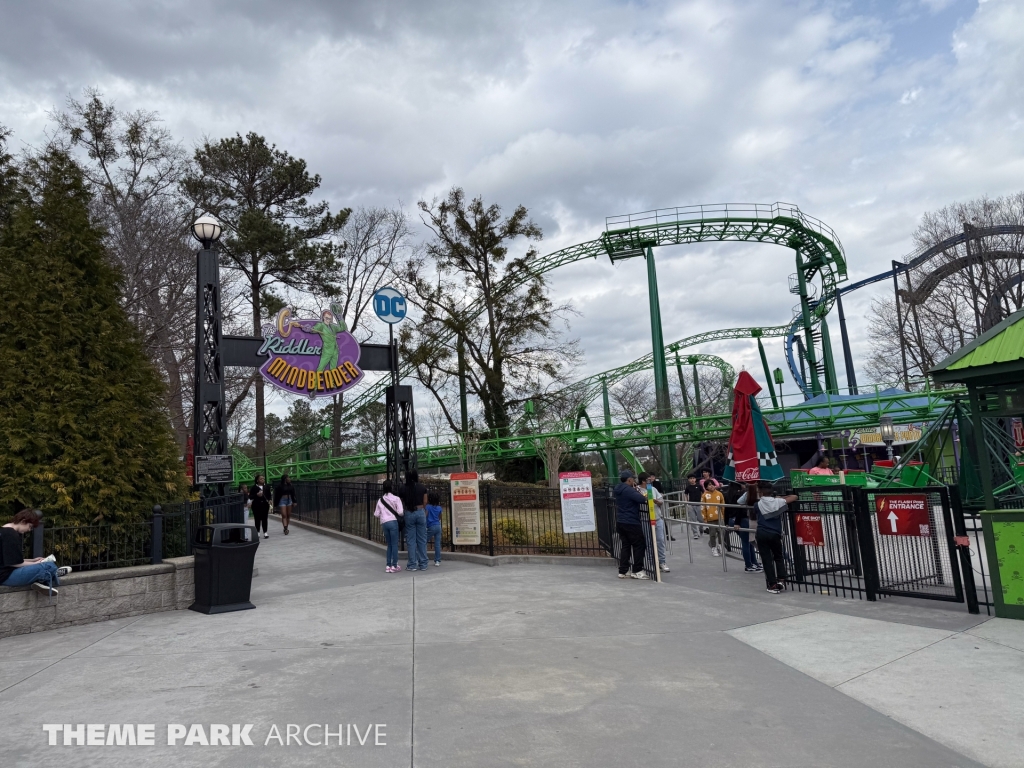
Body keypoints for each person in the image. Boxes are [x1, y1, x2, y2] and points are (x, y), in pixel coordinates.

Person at [1, 509, 71, 596]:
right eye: (30, 526)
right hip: (6, 576)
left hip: (6, 574)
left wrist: (33, 560)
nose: (30, 530)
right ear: (23, 521)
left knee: (44, 566)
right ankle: (51, 575)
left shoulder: (4, 531)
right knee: (49, 565)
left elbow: (7, 558)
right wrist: (37, 564)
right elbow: (14, 563)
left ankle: (45, 577)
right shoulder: (11, 535)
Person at [754, 482, 799, 594]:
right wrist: (780, 497)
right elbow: (794, 497)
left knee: (766, 559)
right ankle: (781, 580)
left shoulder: (757, 504)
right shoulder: (778, 502)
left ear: (760, 492)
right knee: (778, 556)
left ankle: (772, 584)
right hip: (775, 533)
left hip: (761, 532)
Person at [613, 470, 650, 579]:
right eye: (633, 479)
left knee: (626, 546)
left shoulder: (618, 489)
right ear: (629, 480)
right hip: (631, 521)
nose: (634, 481)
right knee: (639, 545)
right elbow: (642, 499)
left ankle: (623, 570)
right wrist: (637, 490)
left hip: (621, 521)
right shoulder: (628, 490)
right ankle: (637, 570)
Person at [399, 470, 429, 571]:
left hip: (409, 513)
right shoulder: (422, 487)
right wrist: (422, 509)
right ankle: (423, 564)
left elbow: (401, 502)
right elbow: (425, 502)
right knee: (422, 539)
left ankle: (412, 564)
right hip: (420, 511)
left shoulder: (403, 488)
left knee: (411, 540)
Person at [639, 472, 669, 573]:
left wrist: (656, 501)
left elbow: (661, 501)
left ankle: (662, 562)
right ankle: (652, 563)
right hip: (645, 519)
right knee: (648, 541)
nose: (651, 480)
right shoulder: (638, 490)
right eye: (648, 479)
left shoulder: (653, 489)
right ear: (643, 481)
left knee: (660, 540)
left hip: (657, 518)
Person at [375, 481, 404, 573]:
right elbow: (400, 512)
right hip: (393, 522)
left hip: (384, 523)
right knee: (395, 544)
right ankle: (394, 565)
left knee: (389, 545)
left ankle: (388, 565)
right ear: (392, 487)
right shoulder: (396, 499)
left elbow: (376, 514)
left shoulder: (380, 500)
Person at [733, 483, 763, 573]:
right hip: (750, 520)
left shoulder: (747, 495)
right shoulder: (759, 495)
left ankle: (752, 563)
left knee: (748, 542)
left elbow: (739, 502)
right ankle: (749, 565)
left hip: (747, 519)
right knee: (747, 543)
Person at [701, 480, 725, 556]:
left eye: (712, 484)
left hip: (720, 517)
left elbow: (723, 505)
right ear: (706, 487)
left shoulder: (719, 494)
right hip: (710, 518)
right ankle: (713, 547)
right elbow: (703, 507)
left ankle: (720, 546)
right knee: (712, 534)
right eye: (709, 485)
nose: (711, 486)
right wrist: (704, 518)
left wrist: (723, 515)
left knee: (721, 532)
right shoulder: (704, 495)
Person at [249, 474, 272, 539]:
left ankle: (265, 532)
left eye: (263, 479)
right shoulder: (254, 488)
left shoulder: (266, 487)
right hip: (256, 504)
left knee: (265, 518)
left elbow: (269, 495)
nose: (263, 480)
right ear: (257, 480)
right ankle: (258, 532)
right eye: (261, 479)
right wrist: (257, 495)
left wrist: (270, 500)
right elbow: (250, 496)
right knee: (257, 518)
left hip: (265, 504)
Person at [425, 492, 444, 567]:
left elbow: (425, 515)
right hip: (438, 526)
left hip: (430, 526)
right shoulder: (439, 508)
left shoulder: (428, 507)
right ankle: (437, 561)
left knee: (424, 541)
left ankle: (423, 558)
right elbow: (440, 517)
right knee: (437, 544)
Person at [683, 474, 703, 540]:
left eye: (693, 478)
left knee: (701, 519)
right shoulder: (688, 487)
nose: (692, 480)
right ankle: (695, 533)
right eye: (690, 478)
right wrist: (687, 502)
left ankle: (701, 528)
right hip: (691, 505)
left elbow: (703, 493)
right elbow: (685, 495)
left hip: (699, 504)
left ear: (695, 479)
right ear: (688, 480)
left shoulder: (699, 486)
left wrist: (703, 502)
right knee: (693, 520)